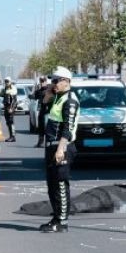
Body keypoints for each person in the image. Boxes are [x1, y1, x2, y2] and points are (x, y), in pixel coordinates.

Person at [41, 66, 80, 232]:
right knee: (52, 185)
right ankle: (56, 217)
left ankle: (62, 222)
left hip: (62, 147)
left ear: (66, 81)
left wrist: (60, 149)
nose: (53, 83)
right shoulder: (58, 96)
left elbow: (68, 128)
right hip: (52, 146)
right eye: (52, 80)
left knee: (61, 185)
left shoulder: (70, 100)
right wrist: (49, 93)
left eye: (56, 81)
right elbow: (42, 102)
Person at [34, 76, 53, 148]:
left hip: (49, 112)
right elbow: (35, 97)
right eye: (41, 81)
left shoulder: (50, 90)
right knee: (41, 128)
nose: (42, 83)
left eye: (43, 81)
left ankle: (48, 143)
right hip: (42, 111)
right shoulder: (39, 91)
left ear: (46, 81)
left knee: (48, 128)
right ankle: (40, 142)